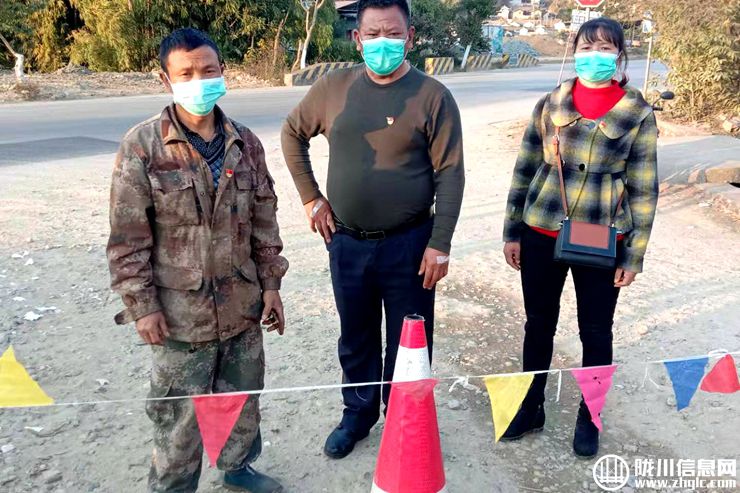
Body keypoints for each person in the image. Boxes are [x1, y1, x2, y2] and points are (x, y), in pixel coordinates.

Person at [107, 28, 288, 493]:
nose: (199, 81)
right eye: (186, 73)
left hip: (242, 305)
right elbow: (128, 238)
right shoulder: (143, 146)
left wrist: (271, 285)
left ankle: (238, 468)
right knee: (178, 417)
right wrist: (142, 306)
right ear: (165, 79)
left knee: (241, 397)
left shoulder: (245, 143)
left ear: (223, 72)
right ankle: (173, 486)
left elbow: (264, 219)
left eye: (208, 71)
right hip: (179, 315)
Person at [281, 0, 464, 460]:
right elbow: (291, 133)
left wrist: (440, 244)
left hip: (411, 244)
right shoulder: (333, 88)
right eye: (374, 34)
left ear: (410, 37)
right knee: (356, 336)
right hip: (346, 242)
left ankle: (405, 422)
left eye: (394, 33)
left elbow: (450, 173)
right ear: (357, 39)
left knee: (409, 341)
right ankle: (357, 416)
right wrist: (311, 196)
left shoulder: (433, 96)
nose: (384, 43)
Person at [501, 18, 659, 458]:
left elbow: (645, 189)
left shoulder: (637, 113)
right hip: (541, 229)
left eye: (606, 47)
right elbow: (524, 168)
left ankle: (590, 415)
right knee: (538, 324)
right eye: (587, 47)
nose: (595, 55)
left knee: (596, 329)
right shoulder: (551, 103)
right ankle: (531, 406)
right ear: (575, 51)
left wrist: (634, 255)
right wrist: (512, 231)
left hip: (601, 234)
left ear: (620, 56)